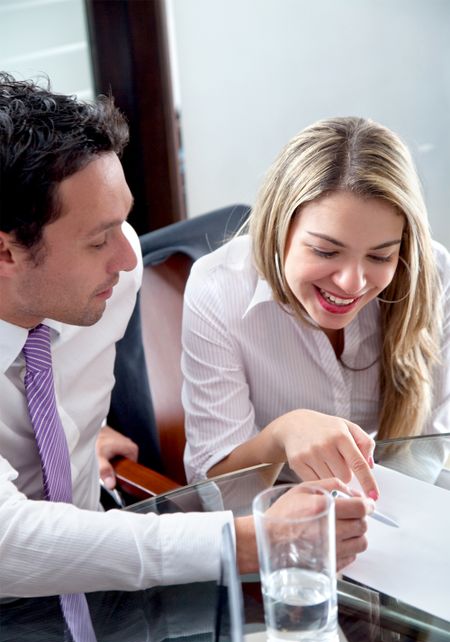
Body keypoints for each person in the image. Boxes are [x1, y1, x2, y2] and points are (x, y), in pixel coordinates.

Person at [0, 73, 372, 606]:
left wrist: (76, 428)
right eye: (99, 239)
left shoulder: (112, 279)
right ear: (6, 253)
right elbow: (9, 544)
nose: (132, 260)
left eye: (123, 224)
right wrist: (248, 542)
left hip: (103, 589)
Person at [182, 116, 450, 488]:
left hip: (391, 506)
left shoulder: (430, 272)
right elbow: (214, 492)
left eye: (380, 256)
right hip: (284, 516)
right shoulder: (217, 289)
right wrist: (280, 436)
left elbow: (423, 455)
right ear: (280, 226)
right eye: (326, 251)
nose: (352, 283)